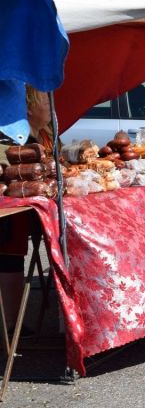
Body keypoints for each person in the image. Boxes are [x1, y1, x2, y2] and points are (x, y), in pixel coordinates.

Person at [0, 85, 54, 332]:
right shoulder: (9, 137)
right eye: (45, 101)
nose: (50, 107)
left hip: (35, 209)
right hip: (9, 213)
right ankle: (10, 326)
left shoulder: (44, 133)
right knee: (9, 256)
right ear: (30, 107)